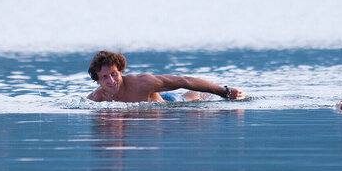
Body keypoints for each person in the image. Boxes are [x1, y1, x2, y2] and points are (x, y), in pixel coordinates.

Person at [86, 50, 244, 103]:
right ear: (98, 80)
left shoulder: (142, 82)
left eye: (114, 74)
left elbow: (184, 81)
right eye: (105, 77)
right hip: (148, 100)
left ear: (120, 70)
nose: (111, 81)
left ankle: (200, 94)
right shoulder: (96, 98)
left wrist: (225, 92)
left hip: (167, 100)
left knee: (188, 98)